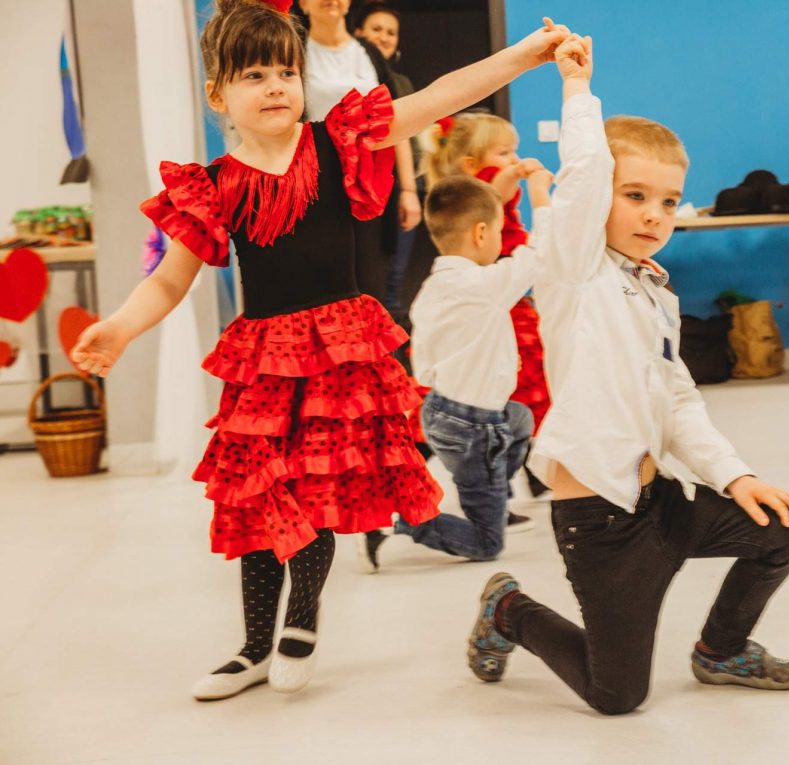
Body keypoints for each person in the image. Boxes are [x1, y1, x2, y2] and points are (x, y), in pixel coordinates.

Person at [69, 0, 570, 700]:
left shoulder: (339, 143)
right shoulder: (213, 186)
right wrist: (121, 326)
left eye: (286, 72)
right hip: (264, 361)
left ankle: (301, 616)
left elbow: (436, 98)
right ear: (218, 95)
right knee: (257, 502)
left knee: (313, 495)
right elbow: (169, 279)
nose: (275, 86)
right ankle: (252, 647)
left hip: (339, 353)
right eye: (254, 76)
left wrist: (523, 56)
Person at [466, 34, 789, 716]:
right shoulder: (572, 269)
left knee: (782, 528)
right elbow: (584, 175)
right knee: (616, 694)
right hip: (600, 522)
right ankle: (508, 610)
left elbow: (677, 400)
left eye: (668, 201)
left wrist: (734, 476)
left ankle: (720, 650)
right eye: (634, 195)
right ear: (599, 196)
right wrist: (577, 89)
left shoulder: (654, 290)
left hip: (663, 504)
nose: (654, 213)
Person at [387, 173, 551, 562]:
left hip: (440, 411)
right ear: (480, 234)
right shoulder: (484, 284)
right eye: (498, 231)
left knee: (520, 419)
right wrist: (540, 196)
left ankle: (489, 488)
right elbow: (539, 254)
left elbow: (427, 362)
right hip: (473, 426)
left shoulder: (431, 288)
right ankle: (404, 522)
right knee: (487, 543)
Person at [298, 0, 421, 306]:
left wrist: (408, 190)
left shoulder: (369, 53)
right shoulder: (294, 51)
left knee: (369, 281)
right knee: (319, 282)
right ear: (303, 4)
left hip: (370, 182)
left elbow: (395, 121)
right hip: (313, 181)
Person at [354, 2, 423, 314]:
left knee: (393, 277)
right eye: (376, 29)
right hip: (360, 185)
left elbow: (402, 135)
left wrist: (409, 189)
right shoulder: (344, 77)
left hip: (400, 183)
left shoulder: (401, 83)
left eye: (391, 32)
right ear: (358, 33)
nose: (384, 37)